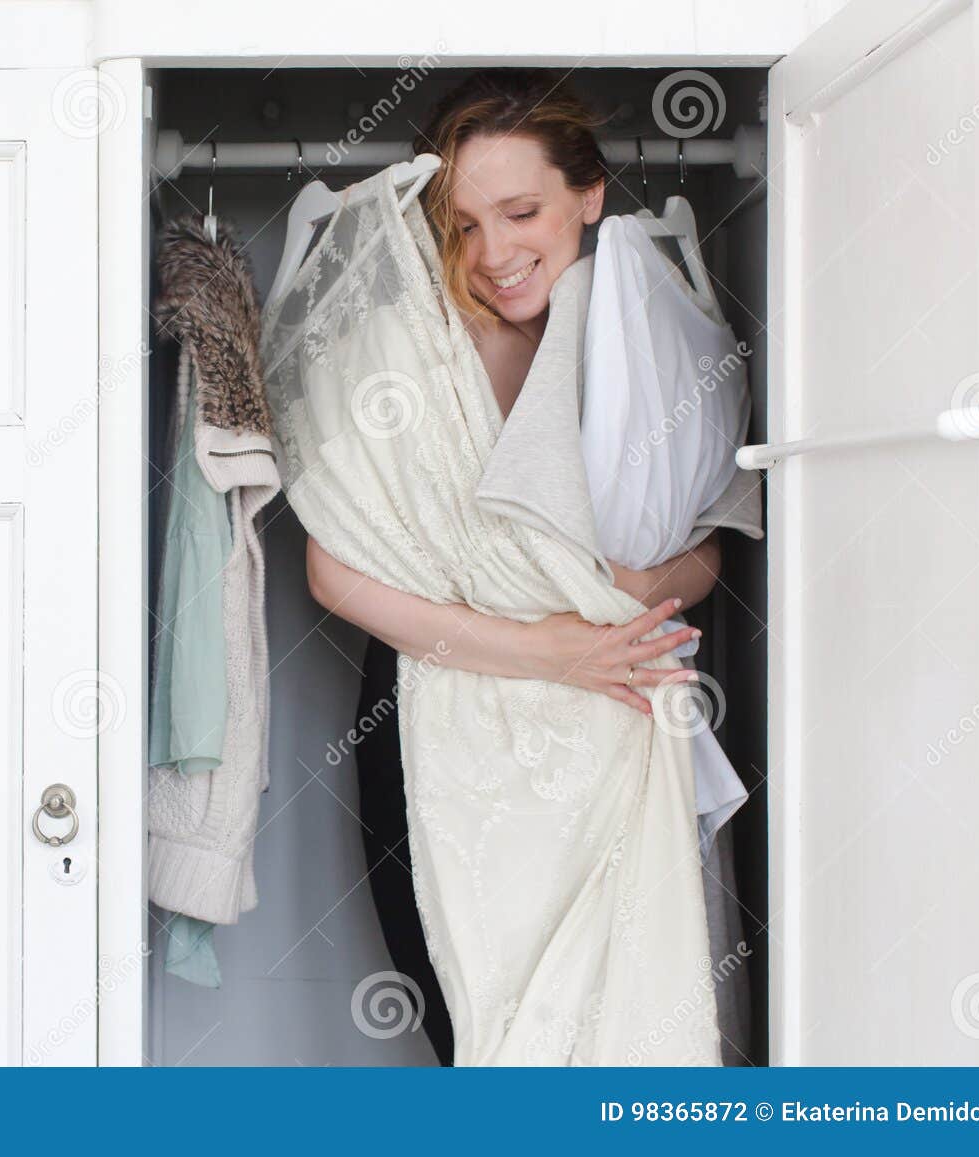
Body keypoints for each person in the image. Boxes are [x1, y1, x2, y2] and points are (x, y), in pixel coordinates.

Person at [306, 69, 728, 1065]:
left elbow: (710, 550)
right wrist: (547, 646)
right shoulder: (402, 349)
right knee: (482, 1029)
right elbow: (333, 573)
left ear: (589, 195)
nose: (493, 253)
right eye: (462, 225)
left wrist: (618, 601)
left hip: (617, 725)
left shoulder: (653, 333)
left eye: (521, 212)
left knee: (627, 1019)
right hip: (436, 720)